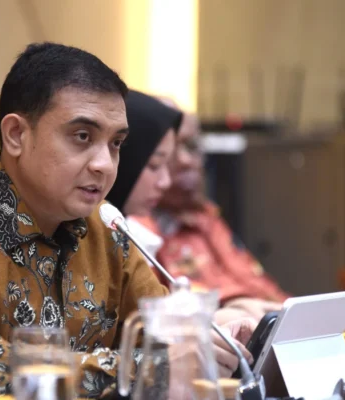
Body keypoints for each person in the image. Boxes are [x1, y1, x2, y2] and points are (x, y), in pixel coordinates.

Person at [0, 43, 248, 398]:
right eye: (82, 136)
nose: (104, 165)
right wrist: (149, 368)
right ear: (16, 135)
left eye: (116, 143)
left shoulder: (104, 225)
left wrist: (210, 344)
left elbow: (162, 337)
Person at [106, 90, 255, 378]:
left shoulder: (120, 230)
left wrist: (214, 323)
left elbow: (159, 323)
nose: (165, 180)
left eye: (193, 147)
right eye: (154, 165)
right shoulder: (128, 231)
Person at [132, 103, 289, 323]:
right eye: (168, 151)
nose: (186, 160)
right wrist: (231, 307)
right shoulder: (134, 228)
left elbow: (258, 284)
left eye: (192, 146)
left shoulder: (204, 215)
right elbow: (153, 318)